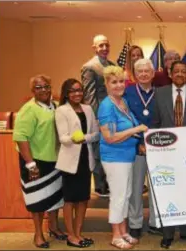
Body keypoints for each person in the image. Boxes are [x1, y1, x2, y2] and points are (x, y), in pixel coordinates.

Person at [151, 61, 186, 249]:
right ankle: (168, 234)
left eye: (184, 71)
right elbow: (155, 122)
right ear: (170, 73)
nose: (180, 74)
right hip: (166, 153)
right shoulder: (159, 93)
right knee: (168, 192)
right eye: (177, 71)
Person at [97, 66, 148, 249]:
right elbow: (110, 137)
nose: (119, 85)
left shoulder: (123, 101)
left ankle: (124, 230)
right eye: (114, 82)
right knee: (118, 196)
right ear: (107, 84)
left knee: (126, 195)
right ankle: (115, 235)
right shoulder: (106, 106)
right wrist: (136, 129)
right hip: (114, 157)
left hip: (127, 156)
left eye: (121, 81)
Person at [13, 74, 65, 248]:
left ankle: (54, 227)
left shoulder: (56, 106)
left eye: (46, 86)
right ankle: (38, 234)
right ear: (32, 91)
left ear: (51, 87)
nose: (43, 90)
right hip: (35, 162)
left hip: (55, 160)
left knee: (55, 197)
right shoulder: (28, 109)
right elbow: (21, 137)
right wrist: (30, 164)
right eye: (38, 87)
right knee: (37, 200)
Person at [55, 78, 99, 248]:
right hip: (69, 162)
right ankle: (71, 235)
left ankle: (79, 233)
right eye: (73, 91)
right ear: (67, 93)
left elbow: (96, 134)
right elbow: (63, 138)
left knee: (83, 199)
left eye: (79, 90)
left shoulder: (88, 109)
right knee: (70, 200)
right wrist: (74, 138)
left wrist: (84, 138)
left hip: (85, 160)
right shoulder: (61, 111)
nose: (77, 93)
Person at [124, 58, 159, 238]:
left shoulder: (161, 93)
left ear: (153, 74)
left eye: (147, 71)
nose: (144, 74)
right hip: (134, 146)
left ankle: (155, 222)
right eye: (140, 72)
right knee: (135, 187)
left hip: (157, 147)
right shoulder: (127, 92)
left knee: (156, 187)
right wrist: (139, 142)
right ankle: (135, 223)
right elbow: (124, 118)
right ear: (135, 75)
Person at [82, 34, 115, 197]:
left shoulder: (111, 64)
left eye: (106, 45)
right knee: (99, 150)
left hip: (112, 113)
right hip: (99, 114)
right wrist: (96, 118)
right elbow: (89, 95)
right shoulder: (90, 67)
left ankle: (109, 182)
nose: (104, 48)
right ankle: (100, 185)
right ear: (94, 48)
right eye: (101, 45)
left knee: (110, 149)